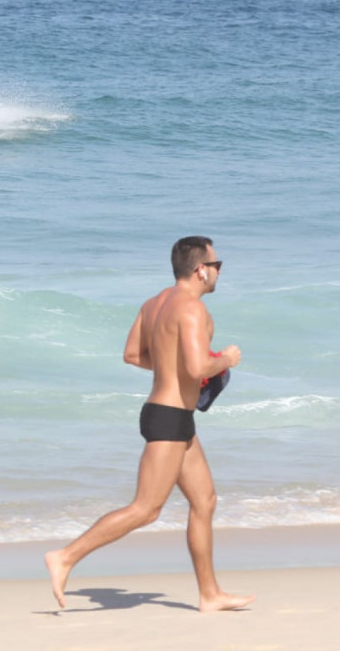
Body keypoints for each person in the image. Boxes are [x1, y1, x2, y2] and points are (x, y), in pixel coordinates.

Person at [44, 237, 254, 612]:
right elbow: (197, 368)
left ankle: (210, 594)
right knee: (146, 508)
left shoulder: (153, 304)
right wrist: (226, 359)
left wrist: (175, 364)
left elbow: (132, 354)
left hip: (172, 416)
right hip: (169, 418)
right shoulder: (193, 310)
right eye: (216, 264)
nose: (219, 271)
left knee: (204, 500)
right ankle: (64, 557)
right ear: (200, 270)